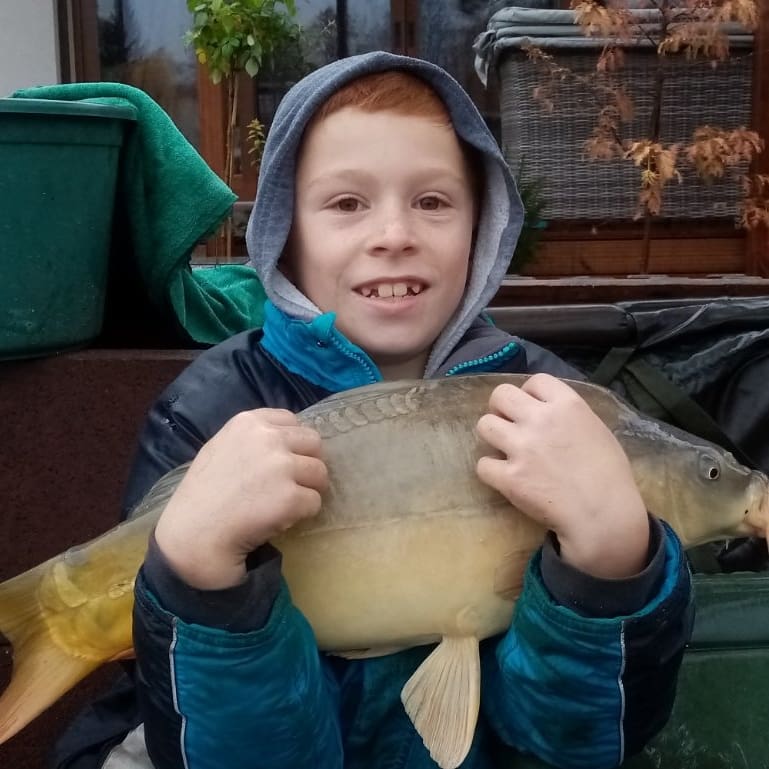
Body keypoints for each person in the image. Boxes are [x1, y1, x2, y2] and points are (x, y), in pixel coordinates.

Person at [52, 51, 692, 769]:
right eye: (347, 204)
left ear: (482, 228)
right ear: (284, 233)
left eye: (433, 202)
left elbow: (579, 744)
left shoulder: (551, 404)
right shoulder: (209, 410)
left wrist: (612, 568)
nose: (394, 234)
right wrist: (198, 578)